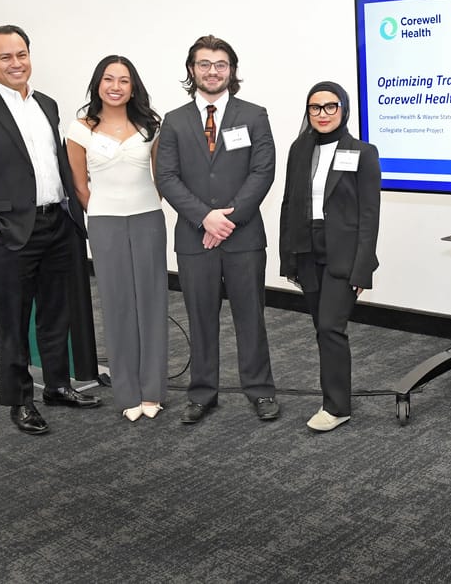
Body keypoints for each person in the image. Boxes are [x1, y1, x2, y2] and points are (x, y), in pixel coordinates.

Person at [0, 24, 102, 435]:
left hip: (58, 225)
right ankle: (20, 401)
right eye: (5, 57)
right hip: (11, 232)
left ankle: (56, 386)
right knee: (14, 322)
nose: (16, 63)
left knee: (56, 314)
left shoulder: (47, 105)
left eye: (21, 54)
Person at [155, 35, 278, 424]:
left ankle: (259, 390)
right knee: (200, 316)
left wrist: (228, 219)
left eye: (221, 64)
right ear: (192, 70)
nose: (212, 71)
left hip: (243, 237)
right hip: (194, 237)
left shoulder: (254, 114)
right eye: (204, 64)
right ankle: (203, 393)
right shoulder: (174, 120)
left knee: (250, 316)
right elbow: (167, 177)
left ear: (232, 70)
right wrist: (204, 218)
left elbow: (263, 172)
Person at [66, 55, 168, 422]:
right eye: (108, 79)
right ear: (97, 83)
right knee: (117, 304)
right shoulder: (79, 130)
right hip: (105, 222)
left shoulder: (151, 126)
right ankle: (127, 392)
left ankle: (153, 390)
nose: (115, 86)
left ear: (133, 86)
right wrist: (104, 213)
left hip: (148, 220)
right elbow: (80, 186)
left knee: (153, 304)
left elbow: (161, 179)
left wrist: (141, 206)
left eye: (124, 80)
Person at [279, 81, 380, 432]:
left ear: (344, 109)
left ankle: (336, 406)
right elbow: (289, 203)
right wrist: (287, 257)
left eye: (330, 106)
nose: (322, 114)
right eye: (315, 108)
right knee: (320, 329)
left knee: (330, 327)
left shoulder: (363, 152)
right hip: (306, 248)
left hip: (344, 254)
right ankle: (333, 399)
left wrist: (362, 269)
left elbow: (370, 215)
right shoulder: (298, 149)